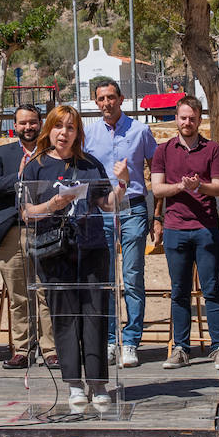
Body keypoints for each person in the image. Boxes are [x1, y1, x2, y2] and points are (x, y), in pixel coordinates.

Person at [22, 105, 129, 410]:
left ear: (77, 133)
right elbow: (26, 212)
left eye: (70, 128)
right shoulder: (36, 166)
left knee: (94, 314)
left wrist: (122, 184)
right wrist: (52, 206)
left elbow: (107, 204)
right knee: (65, 317)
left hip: (91, 248)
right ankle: (73, 384)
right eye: (58, 127)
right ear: (49, 130)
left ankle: (97, 383)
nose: (63, 133)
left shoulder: (89, 164)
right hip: (54, 252)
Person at [150, 95, 219, 371]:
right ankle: (181, 348)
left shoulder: (213, 149)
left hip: (206, 228)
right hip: (175, 228)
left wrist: (199, 187)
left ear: (199, 120)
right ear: (176, 118)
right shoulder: (163, 150)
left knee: (212, 289)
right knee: (179, 291)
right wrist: (181, 188)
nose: (187, 122)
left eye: (192, 118)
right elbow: (157, 189)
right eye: (183, 117)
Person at [83, 80, 157, 369]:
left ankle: (131, 341)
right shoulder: (89, 134)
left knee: (133, 276)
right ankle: (111, 340)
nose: (106, 103)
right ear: (96, 102)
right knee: (106, 278)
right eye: (101, 99)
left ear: (121, 99)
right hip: (100, 210)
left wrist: (157, 212)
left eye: (111, 97)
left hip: (133, 208)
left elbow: (156, 167)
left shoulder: (140, 130)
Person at [0, 104, 55, 369]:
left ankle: (51, 350)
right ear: (15, 126)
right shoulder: (3, 153)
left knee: (46, 292)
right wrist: (20, 176)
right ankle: (22, 348)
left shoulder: (51, 152)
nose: (28, 128)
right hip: (11, 232)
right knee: (18, 295)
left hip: (46, 231)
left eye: (33, 122)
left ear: (40, 123)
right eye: (23, 123)